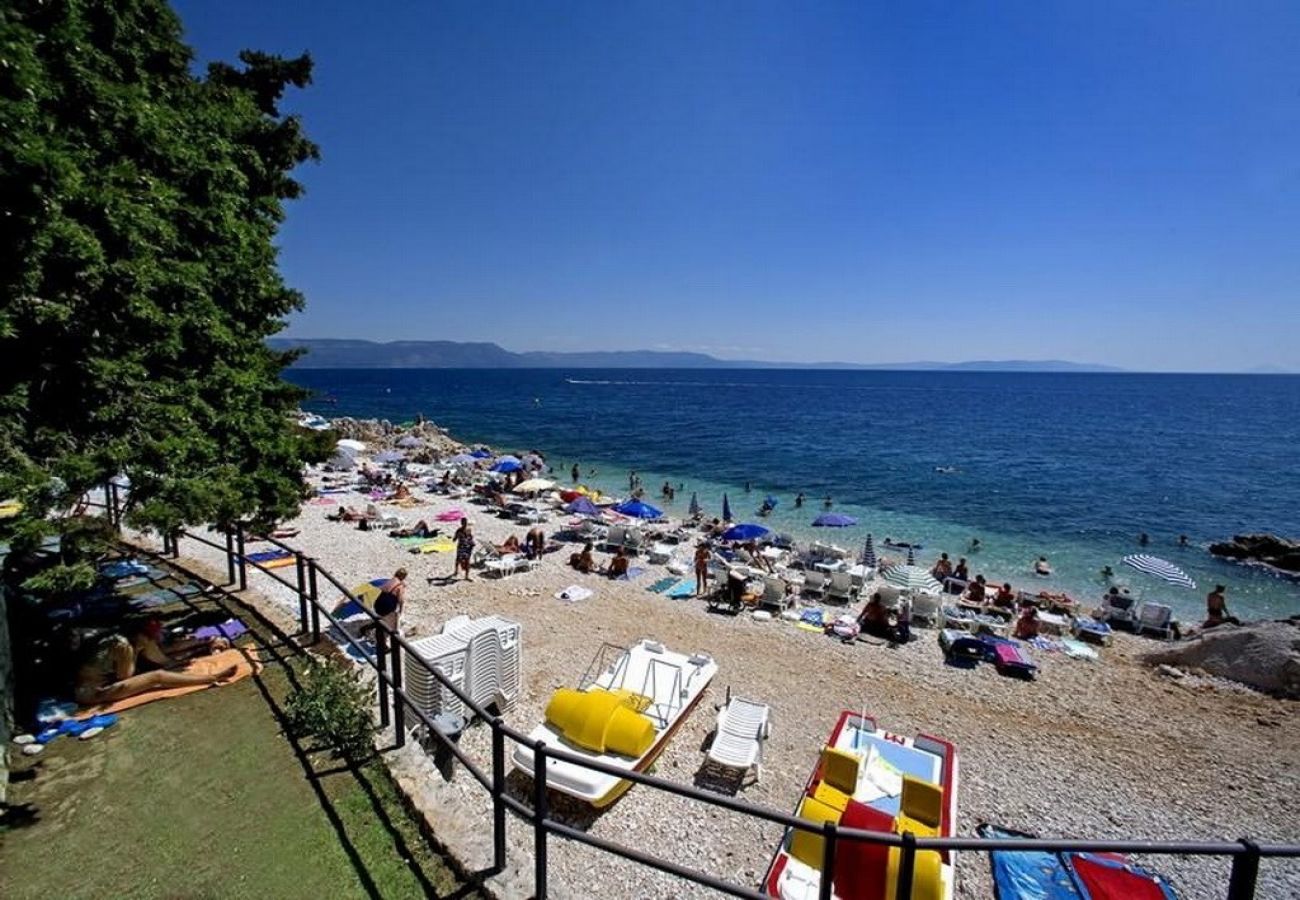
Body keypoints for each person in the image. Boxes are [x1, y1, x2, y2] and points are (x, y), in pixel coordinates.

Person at [75, 624, 236, 706]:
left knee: (162, 653)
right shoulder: (123, 645)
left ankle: (211, 638)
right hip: (94, 692)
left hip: (103, 675)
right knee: (157, 676)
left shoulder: (120, 638)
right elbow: (125, 676)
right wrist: (136, 652)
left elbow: (160, 649)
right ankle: (212, 677)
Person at [371, 568, 408, 633]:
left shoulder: (389, 581)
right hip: (388, 606)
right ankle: (394, 634)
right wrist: (401, 611)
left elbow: (380, 588)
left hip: (379, 602)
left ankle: (367, 628)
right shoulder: (400, 586)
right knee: (392, 622)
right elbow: (401, 600)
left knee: (382, 619)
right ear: (403, 577)